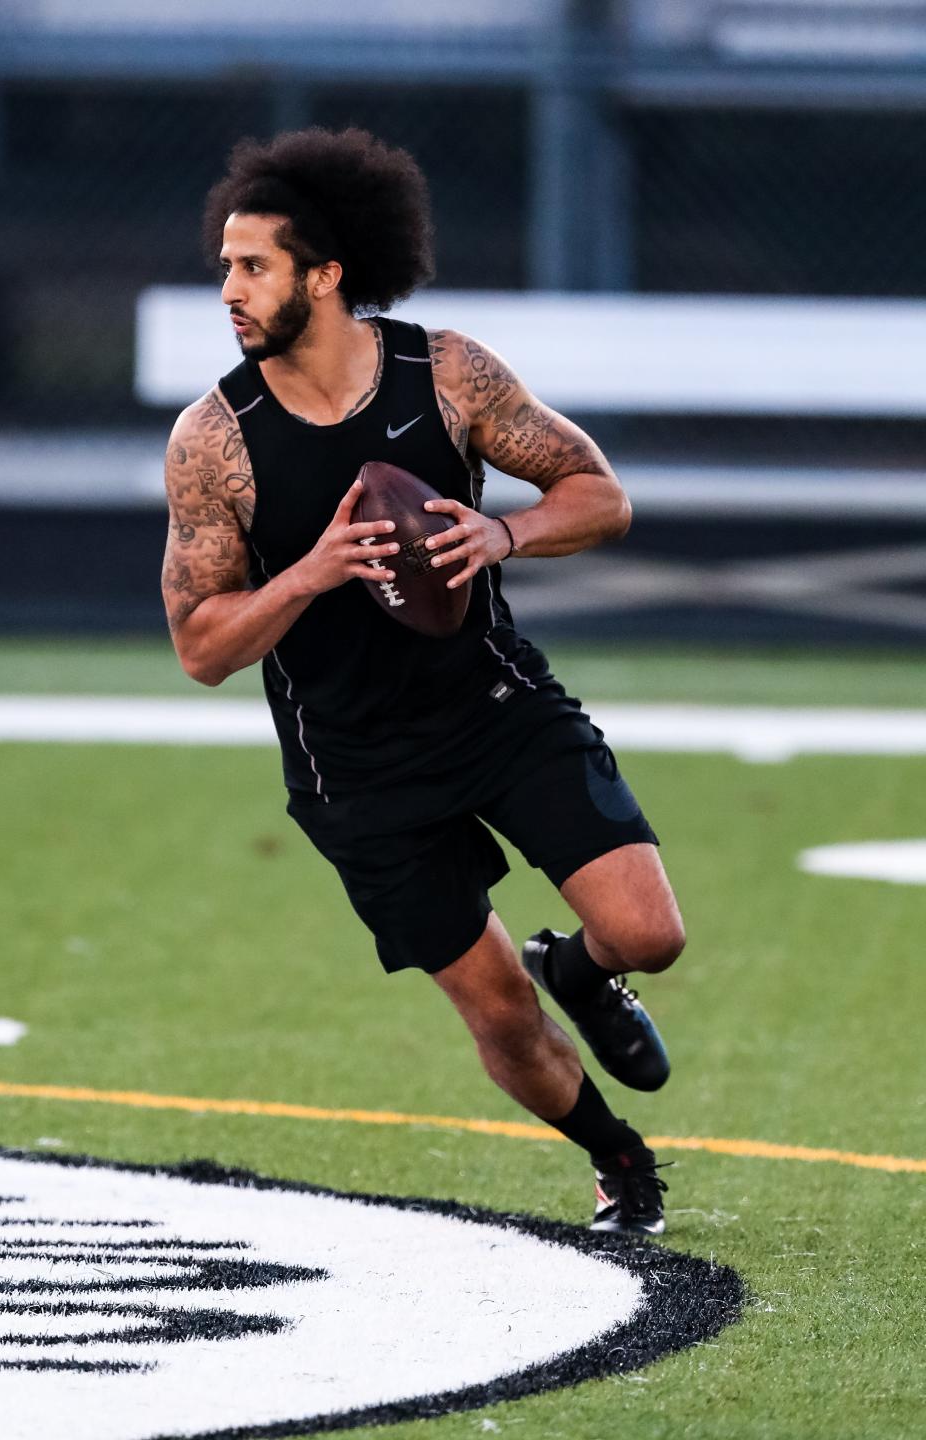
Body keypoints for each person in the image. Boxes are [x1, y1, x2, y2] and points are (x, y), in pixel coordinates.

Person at [161, 128, 686, 1236]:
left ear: (327, 273)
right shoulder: (215, 441)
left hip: (495, 707)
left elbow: (601, 495)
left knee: (649, 935)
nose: (230, 290)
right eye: (224, 267)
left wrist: (506, 538)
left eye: (252, 266)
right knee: (499, 1013)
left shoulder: (446, 374)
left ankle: (583, 974)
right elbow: (201, 648)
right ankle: (618, 1158)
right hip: (357, 769)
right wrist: (305, 575)